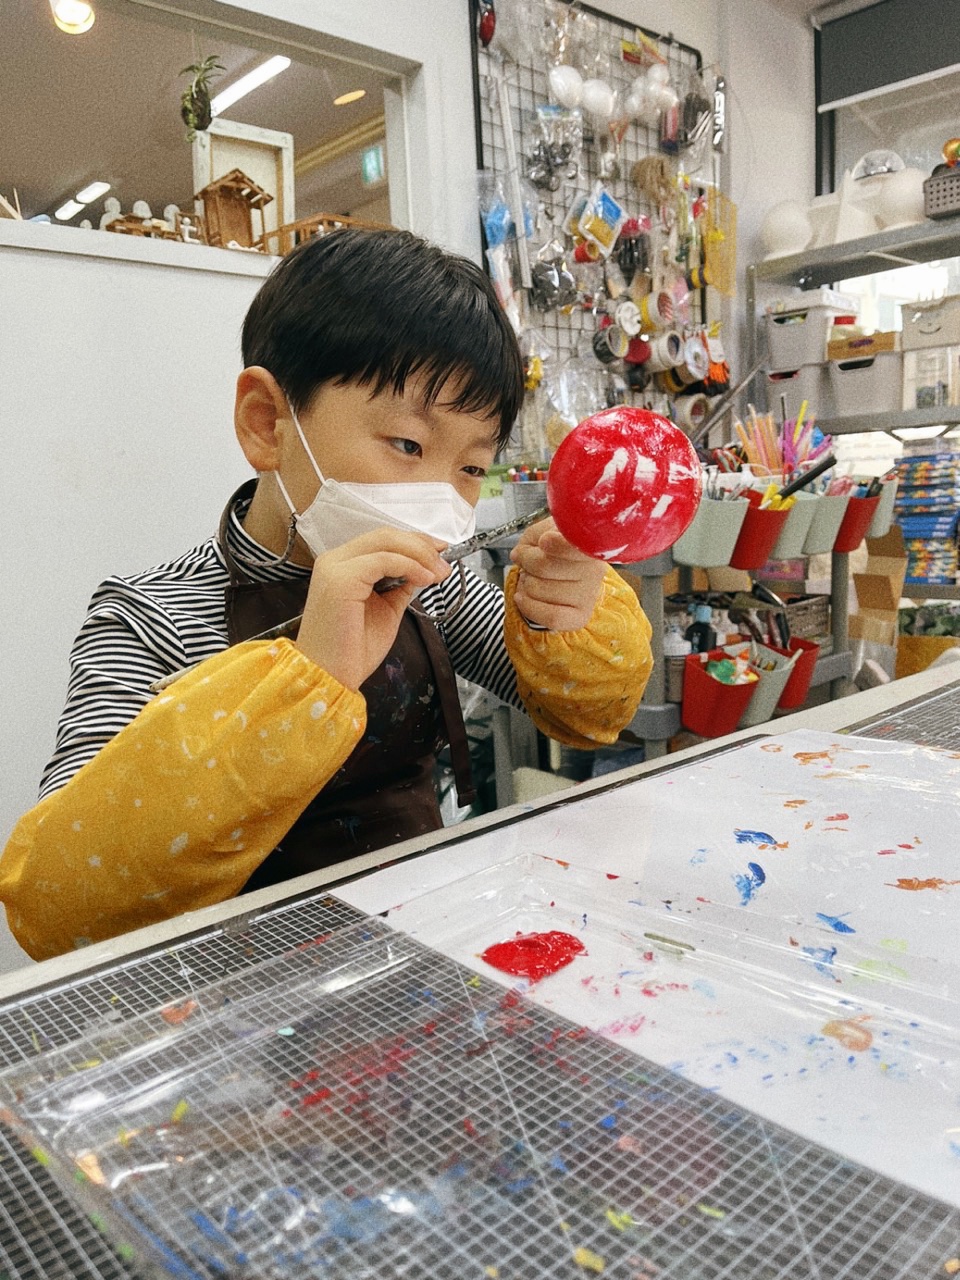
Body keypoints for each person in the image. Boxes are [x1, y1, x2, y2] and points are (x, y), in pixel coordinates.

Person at [0, 228, 653, 961]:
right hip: (233, 987)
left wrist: (564, 618)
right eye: (407, 445)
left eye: (471, 468)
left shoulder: (429, 590)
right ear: (267, 422)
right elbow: (60, 907)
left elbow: (582, 716)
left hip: (420, 947)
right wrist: (304, 685)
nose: (440, 500)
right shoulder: (152, 617)